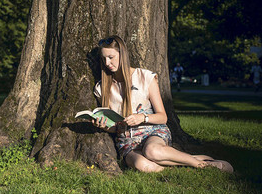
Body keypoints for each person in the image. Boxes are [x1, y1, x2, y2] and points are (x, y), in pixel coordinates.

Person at [91, 35, 233, 173]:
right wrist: (104, 126)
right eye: (104, 59)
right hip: (127, 141)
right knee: (142, 165)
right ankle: (186, 165)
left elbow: (163, 117)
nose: (107, 63)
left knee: (152, 151)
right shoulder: (101, 88)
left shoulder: (145, 77)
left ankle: (202, 166)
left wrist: (142, 117)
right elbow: (114, 128)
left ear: (123, 55)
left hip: (152, 132)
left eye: (111, 57)